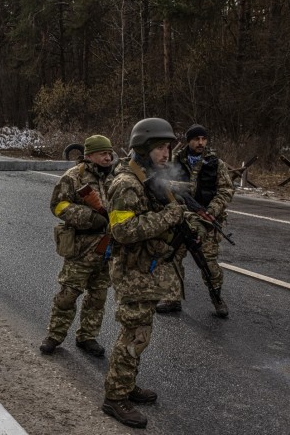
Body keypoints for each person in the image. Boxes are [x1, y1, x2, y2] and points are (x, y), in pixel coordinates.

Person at [102, 118, 186, 429]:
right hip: (132, 272)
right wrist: (169, 217)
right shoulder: (127, 183)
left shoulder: (148, 177)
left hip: (144, 270)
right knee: (134, 335)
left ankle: (126, 384)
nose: (166, 154)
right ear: (143, 148)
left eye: (168, 148)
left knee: (141, 333)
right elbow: (123, 230)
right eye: (160, 147)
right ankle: (115, 398)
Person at [40, 135, 115, 358]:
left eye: (109, 153)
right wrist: (89, 217)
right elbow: (58, 205)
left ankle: (87, 336)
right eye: (103, 153)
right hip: (81, 248)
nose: (108, 157)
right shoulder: (74, 177)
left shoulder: (115, 177)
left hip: (106, 247)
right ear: (89, 155)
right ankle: (54, 335)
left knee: (98, 297)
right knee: (68, 295)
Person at [156, 124, 234, 317]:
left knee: (208, 263)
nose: (201, 143)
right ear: (188, 141)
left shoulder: (215, 163)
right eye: (196, 139)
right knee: (171, 257)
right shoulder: (174, 161)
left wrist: (211, 212)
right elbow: (160, 186)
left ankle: (217, 299)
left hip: (206, 221)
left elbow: (226, 191)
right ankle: (172, 298)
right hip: (180, 219)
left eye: (203, 139)